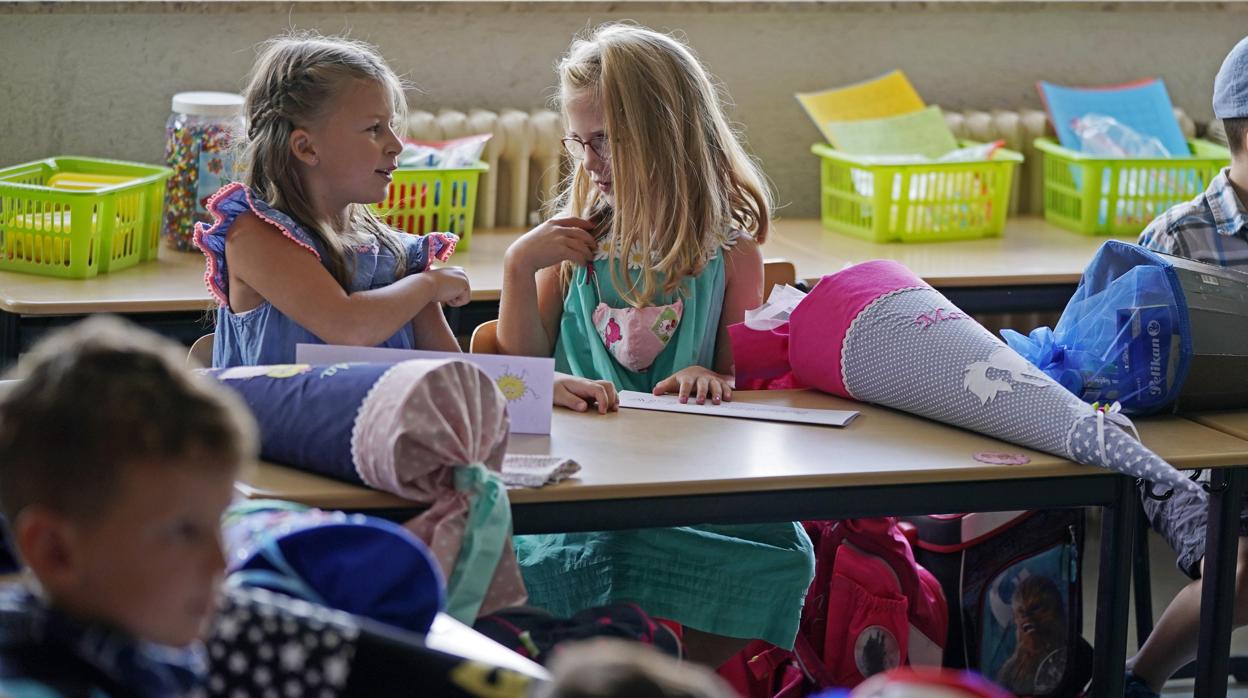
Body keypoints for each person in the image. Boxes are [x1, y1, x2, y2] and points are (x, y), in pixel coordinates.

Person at [497, 23, 815, 666]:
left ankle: (667, 672)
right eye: (580, 143)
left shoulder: (730, 252)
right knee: (600, 548)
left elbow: (736, 379)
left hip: (680, 477)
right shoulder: (575, 243)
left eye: (608, 142)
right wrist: (516, 266)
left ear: (670, 135)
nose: (590, 164)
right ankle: (603, 665)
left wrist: (710, 375)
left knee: (787, 549)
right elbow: (517, 382)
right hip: (576, 478)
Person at [195, 32, 617, 413]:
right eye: (375, 129)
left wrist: (543, 387)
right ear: (306, 147)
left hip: (371, 453)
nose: (396, 145)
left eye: (392, 127)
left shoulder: (394, 253)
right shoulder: (254, 234)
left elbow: (452, 372)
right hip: (275, 461)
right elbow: (347, 325)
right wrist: (429, 285)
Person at [0, 317, 256, 695]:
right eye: (183, 531)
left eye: (219, 522)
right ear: (55, 551)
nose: (220, 562)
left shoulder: (141, 639)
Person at [1127, 34, 1248, 698]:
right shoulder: (1179, 241)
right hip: (1191, 465)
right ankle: (1135, 682)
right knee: (1242, 571)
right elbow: (1120, 386)